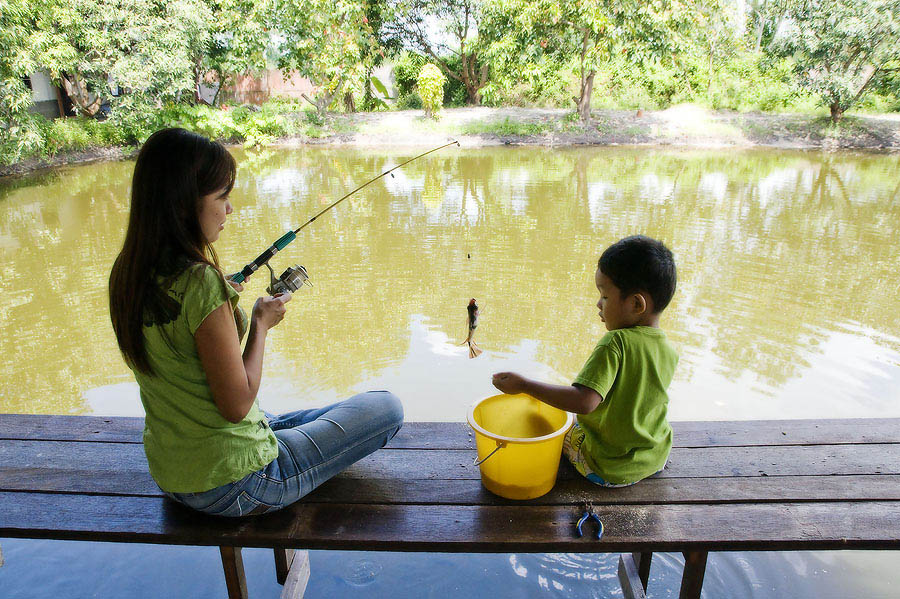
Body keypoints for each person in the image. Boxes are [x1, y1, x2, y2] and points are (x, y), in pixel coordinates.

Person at [109, 128, 403, 516]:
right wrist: (260, 324)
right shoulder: (200, 283)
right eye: (222, 198)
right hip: (237, 483)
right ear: (183, 205)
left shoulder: (129, 274)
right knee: (385, 408)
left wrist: (220, 301)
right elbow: (237, 404)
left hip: (174, 473)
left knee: (305, 415)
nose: (229, 209)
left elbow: (184, 351)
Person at [492, 235, 678, 487]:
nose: (598, 304)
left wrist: (525, 386)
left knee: (555, 426)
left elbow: (584, 401)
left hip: (607, 469)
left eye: (605, 296)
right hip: (655, 457)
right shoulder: (668, 347)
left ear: (636, 304)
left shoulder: (616, 343)